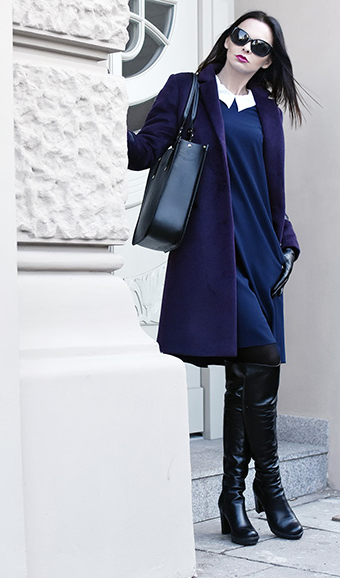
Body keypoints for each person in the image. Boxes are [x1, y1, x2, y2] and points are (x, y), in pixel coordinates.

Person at [127, 11, 306, 546]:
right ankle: (270, 490)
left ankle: (233, 497)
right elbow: (144, 151)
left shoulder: (267, 111)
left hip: (260, 254)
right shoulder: (187, 90)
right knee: (262, 358)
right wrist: (94, 112)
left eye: (260, 46)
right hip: (212, 255)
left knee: (245, 375)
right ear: (227, 40)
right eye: (240, 36)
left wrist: (288, 242)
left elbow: (269, 189)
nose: (246, 47)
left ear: (269, 62)